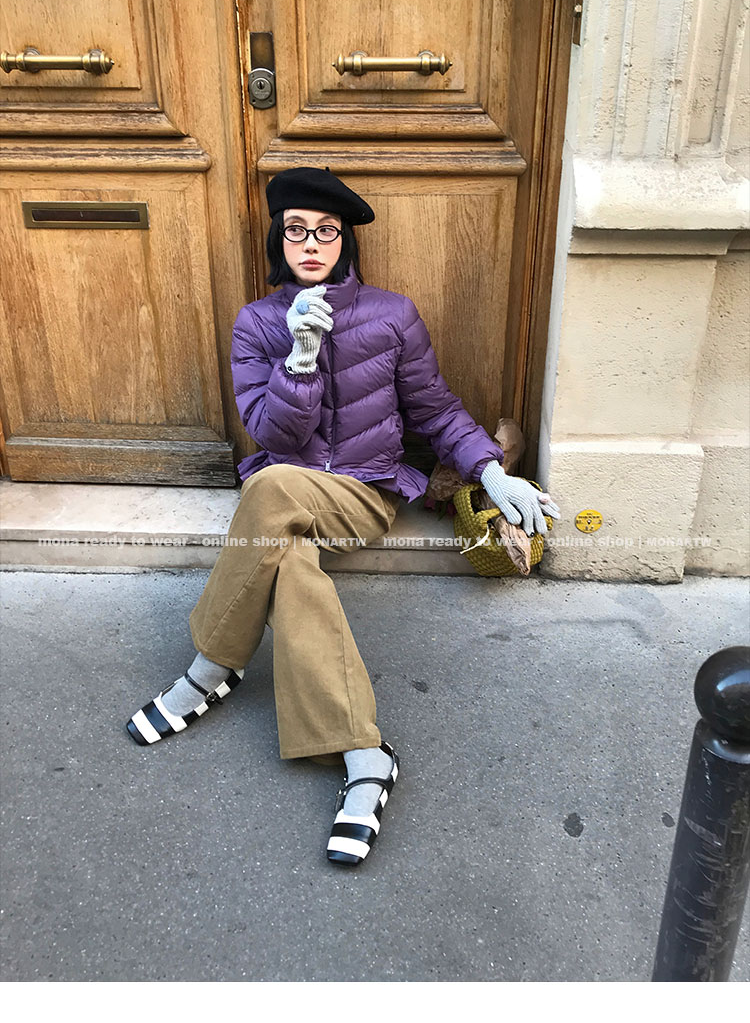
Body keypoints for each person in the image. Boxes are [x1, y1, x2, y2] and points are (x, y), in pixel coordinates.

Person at [126, 167, 560, 866]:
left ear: (345, 242)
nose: (310, 243)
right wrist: (299, 356)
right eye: (296, 230)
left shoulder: (392, 315)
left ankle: (209, 668)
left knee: (269, 492)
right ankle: (365, 755)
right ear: (279, 239)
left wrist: (489, 471)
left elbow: (434, 408)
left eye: (326, 232)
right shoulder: (256, 323)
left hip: (363, 495)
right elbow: (273, 436)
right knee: (289, 557)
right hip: (286, 495)